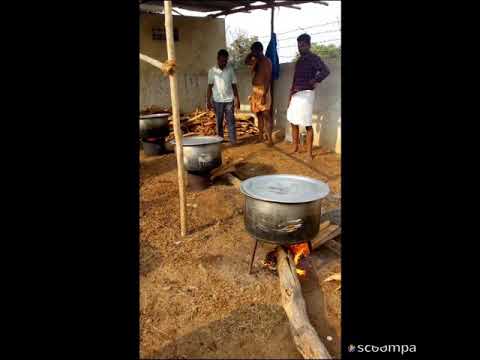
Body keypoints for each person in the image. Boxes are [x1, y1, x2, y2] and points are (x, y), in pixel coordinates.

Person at [287, 33, 330, 161]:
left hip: (306, 94)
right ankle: (295, 147)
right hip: (296, 93)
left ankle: (309, 154)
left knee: (307, 123)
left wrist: (315, 80)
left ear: (309, 45)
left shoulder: (314, 58)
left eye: (303, 45)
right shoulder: (299, 60)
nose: (300, 48)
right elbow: (295, 79)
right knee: (293, 120)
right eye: (299, 45)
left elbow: (325, 71)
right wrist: (290, 94)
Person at [207, 49, 240, 145]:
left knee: (231, 121)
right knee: (219, 122)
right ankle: (219, 140)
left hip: (229, 100)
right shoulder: (212, 71)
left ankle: (233, 141)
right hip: (217, 101)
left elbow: (234, 85)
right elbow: (209, 86)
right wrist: (208, 101)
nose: (223, 63)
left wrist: (238, 99)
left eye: (225, 61)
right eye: (222, 61)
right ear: (217, 59)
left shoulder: (230, 70)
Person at [245, 42, 273, 146]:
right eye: (252, 52)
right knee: (259, 115)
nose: (253, 54)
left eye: (254, 51)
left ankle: (269, 139)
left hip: (263, 90)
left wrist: (264, 95)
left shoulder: (266, 61)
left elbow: (267, 79)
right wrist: (251, 54)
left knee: (266, 115)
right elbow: (246, 61)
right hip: (255, 90)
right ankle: (261, 136)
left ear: (259, 50)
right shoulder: (256, 61)